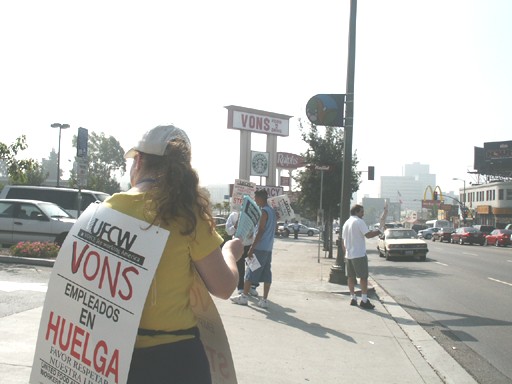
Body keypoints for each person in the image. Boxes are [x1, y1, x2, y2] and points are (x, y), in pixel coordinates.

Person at [104, 125, 243, 384]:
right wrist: (230, 252)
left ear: (139, 160)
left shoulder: (107, 210)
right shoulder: (187, 215)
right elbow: (224, 287)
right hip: (178, 361)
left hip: (115, 357)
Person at [231, 189, 276, 309]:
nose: (255, 200)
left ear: (260, 198)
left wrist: (252, 247)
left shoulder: (264, 212)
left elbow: (261, 231)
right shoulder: (272, 211)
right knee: (267, 273)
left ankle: (244, 297)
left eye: (256, 198)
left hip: (260, 248)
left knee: (250, 271)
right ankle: (264, 299)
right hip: (268, 248)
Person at [341, 204, 381, 309]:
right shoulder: (359, 222)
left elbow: (343, 241)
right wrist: (379, 231)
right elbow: (368, 235)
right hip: (359, 254)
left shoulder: (346, 223)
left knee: (350, 277)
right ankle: (364, 300)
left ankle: (353, 298)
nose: (363, 214)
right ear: (357, 212)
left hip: (349, 255)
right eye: (362, 212)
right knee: (363, 277)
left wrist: (345, 253)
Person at [225, 210, 259, 296]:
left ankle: (252, 286)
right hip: (238, 244)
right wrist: (235, 226)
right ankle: (240, 287)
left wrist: (253, 234)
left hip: (249, 244)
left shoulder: (252, 214)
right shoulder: (234, 215)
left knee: (253, 266)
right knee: (240, 267)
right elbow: (228, 231)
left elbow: (257, 228)